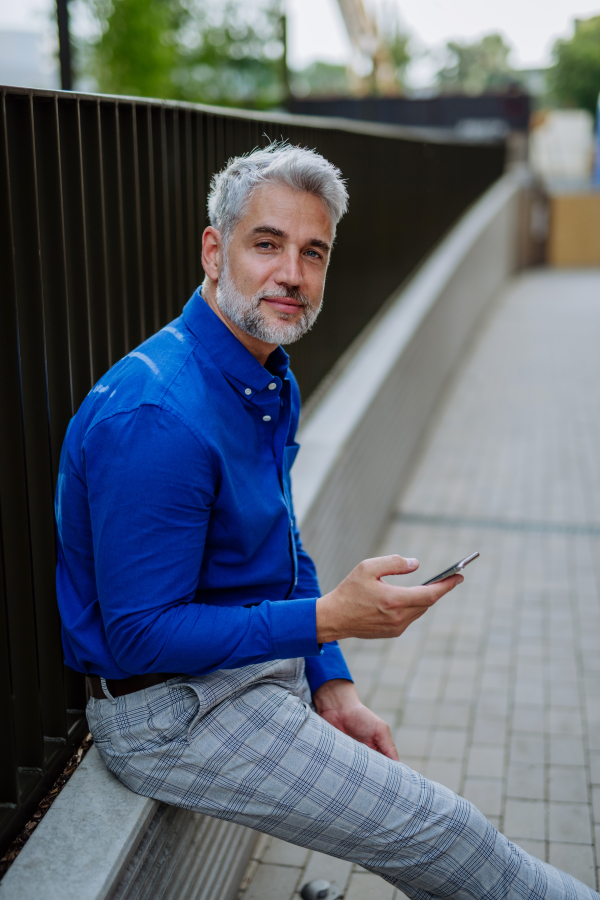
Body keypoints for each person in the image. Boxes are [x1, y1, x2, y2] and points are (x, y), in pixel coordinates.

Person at [55, 143, 598, 900]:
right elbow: (137, 637)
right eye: (267, 244)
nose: (293, 275)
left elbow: (282, 540)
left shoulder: (261, 371)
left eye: (314, 253)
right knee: (446, 830)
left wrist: (330, 676)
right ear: (215, 251)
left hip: (239, 671)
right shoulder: (158, 417)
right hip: (171, 713)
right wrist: (323, 619)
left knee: (437, 832)